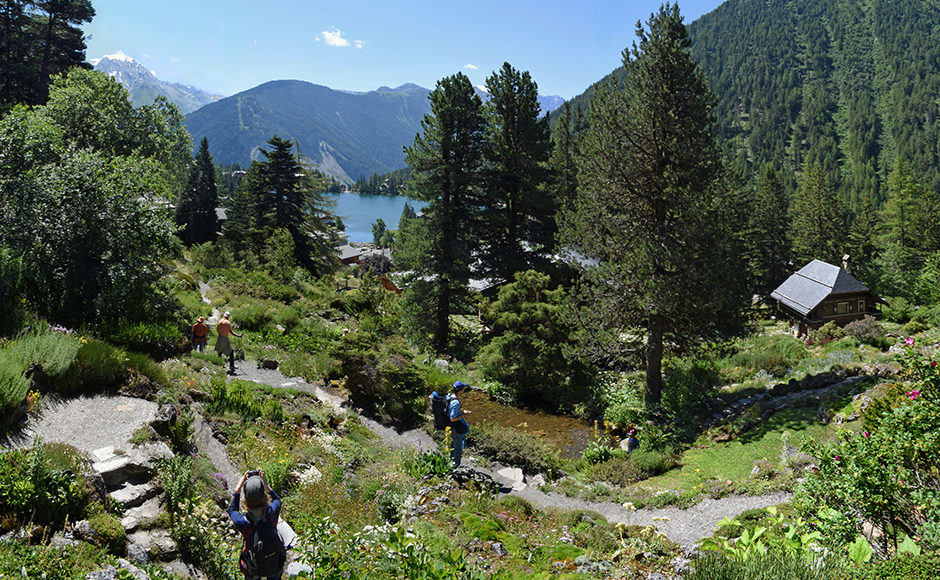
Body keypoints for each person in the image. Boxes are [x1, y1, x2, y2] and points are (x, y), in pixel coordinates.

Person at [228, 469, 285, 580]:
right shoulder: (272, 512)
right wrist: (264, 482)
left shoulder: (243, 521)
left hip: (253, 565)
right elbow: (276, 498)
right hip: (273, 559)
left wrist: (240, 485)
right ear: (263, 496)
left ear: (245, 498)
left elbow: (232, 510)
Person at [447, 381, 472, 468]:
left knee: (452, 446)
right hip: (455, 428)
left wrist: (461, 412)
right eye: (463, 388)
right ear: (460, 390)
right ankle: (455, 467)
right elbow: (453, 418)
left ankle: (451, 463)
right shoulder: (456, 402)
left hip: (449, 427)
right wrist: (463, 415)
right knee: (458, 447)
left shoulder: (449, 397)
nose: (464, 390)